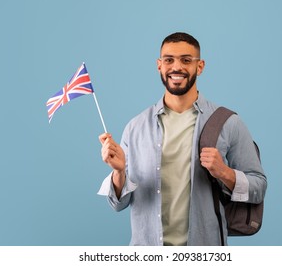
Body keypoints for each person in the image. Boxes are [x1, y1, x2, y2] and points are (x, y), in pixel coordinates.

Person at [98, 32, 267, 246]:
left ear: (200, 66)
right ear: (159, 65)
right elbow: (117, 204)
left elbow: (259, 186)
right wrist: (119, 171)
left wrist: (224, 173)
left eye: (186, 60)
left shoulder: (228, 122)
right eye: (169, 60)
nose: (176, 67)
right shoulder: (135, 128)